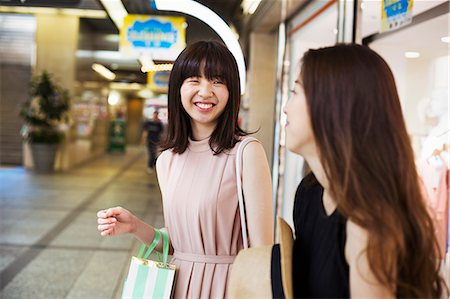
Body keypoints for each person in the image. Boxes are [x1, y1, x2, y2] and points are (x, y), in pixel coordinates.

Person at [97, 40, 273, 298]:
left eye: (217, 81)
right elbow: (179, 244)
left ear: (231, 91)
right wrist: (135, 226)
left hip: (229, 287)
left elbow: (263, 251)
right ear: (178, 88)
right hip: (177, 286)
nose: (205, 91)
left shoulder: (246, 152)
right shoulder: (167, 160)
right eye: (194, 80)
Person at [282, 44, 448, 298]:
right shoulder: (309, 193)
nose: (286, 107)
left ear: (332, 106)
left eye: (295, 92)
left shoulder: (367, 224)